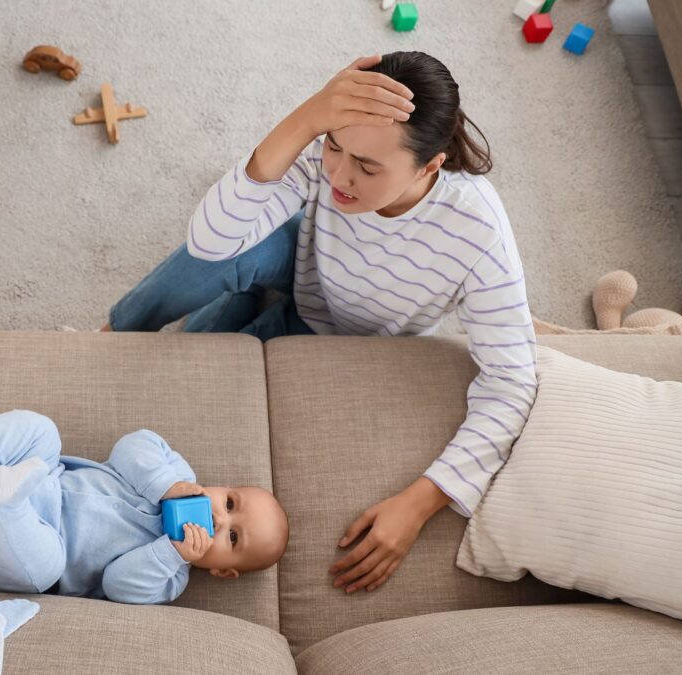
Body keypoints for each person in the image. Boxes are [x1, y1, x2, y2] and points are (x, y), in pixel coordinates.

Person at [102, 52, 536, 594]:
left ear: (429, 167)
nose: (339, 175)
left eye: (368, 168)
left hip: (347, 338)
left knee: (196, 369)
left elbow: (513, 383)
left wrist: (421, 501)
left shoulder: (477, 232)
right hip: (304, 264)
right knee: (231, 249)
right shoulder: (324, 155)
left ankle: (249, 303)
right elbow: (208, 243)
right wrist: (308, 120)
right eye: (334, 146)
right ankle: (116, 335)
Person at [0, 410, 289, 605]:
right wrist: (164, 485)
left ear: (222, 571)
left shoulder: (171, 578)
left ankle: (7, 503)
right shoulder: (178, 475)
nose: (218, 518)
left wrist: (171, 553)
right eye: (229, 503)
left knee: (44, 569)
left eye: (232, 537)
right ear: (222, 487)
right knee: (41, 430)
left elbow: (118, 585)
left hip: (15, 550)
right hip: (40, 479)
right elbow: (133, 444)